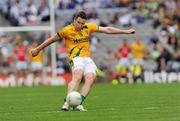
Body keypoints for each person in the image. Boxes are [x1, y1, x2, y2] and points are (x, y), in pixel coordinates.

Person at [31, 11, 135, 111]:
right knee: (77, 77)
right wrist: (37, 49)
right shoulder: (66, 30)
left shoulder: (88, 27)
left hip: (87, 58)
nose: (80, 25)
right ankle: (67, 102)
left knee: (90, 78)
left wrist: (125, 31)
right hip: (76, 58)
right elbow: (51, 39)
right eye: (78, 22)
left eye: (82, 23)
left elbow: (107, 29)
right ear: (74, 20)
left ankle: (78, 103)